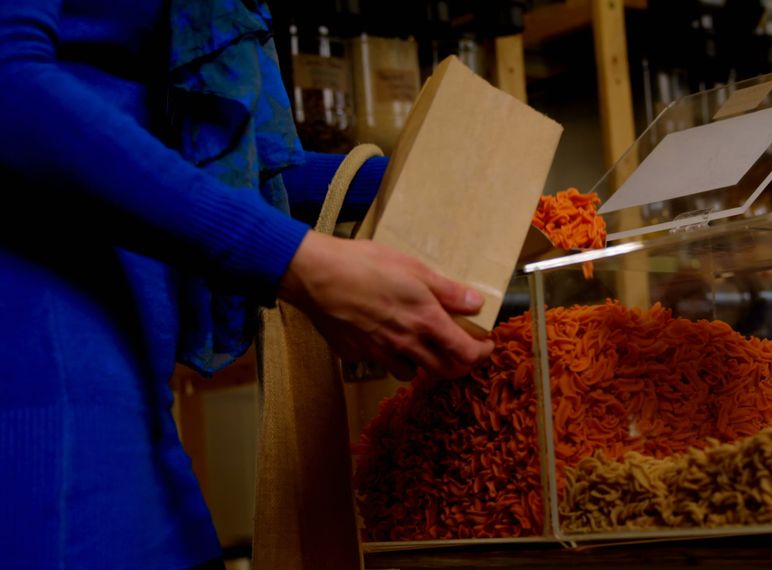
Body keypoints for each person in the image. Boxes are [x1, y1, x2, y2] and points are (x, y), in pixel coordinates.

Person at [0, 1, 494, 568]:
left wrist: (461, 191)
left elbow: (212, 159)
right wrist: (301, 263)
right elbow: (8, 86)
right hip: (39, 411)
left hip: (133, 408)